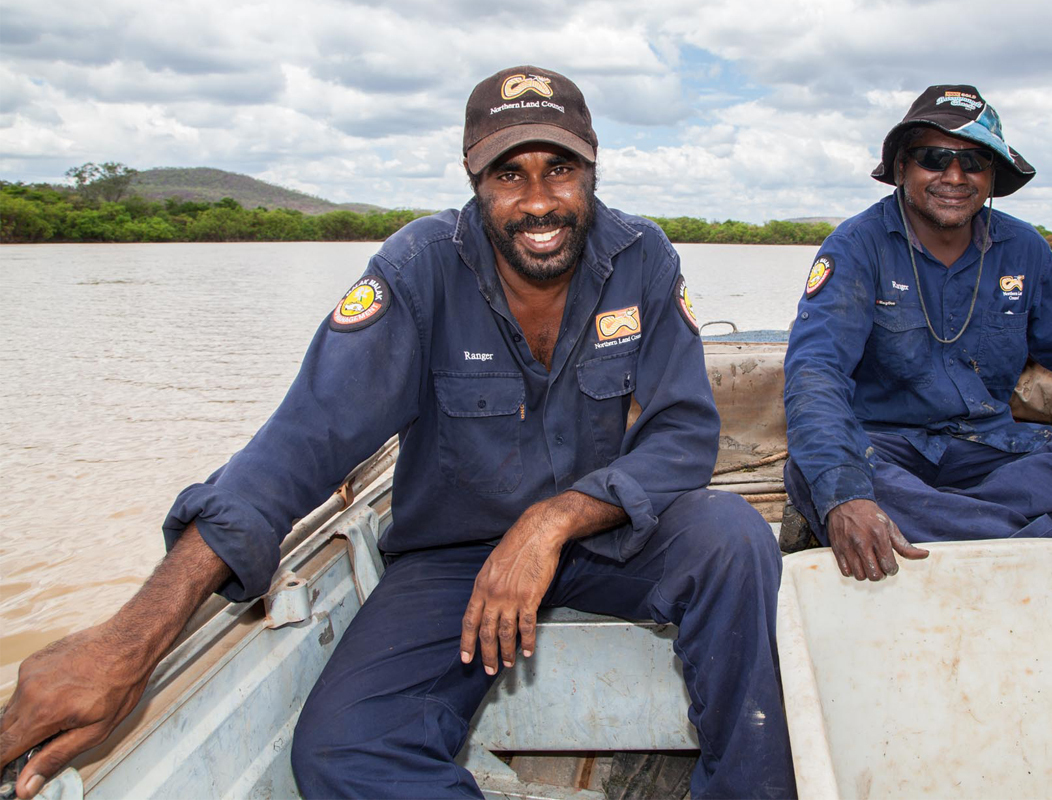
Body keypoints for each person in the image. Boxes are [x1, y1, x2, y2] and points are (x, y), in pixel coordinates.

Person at [0, 67, 796, 798]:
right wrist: (130, 639)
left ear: (592, 170)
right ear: (473, 180)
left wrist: (552, 520)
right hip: (456, 558)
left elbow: (683, 435)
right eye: (509, 174)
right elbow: (296, 446)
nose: (539, 199)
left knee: (731, 536)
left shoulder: (641, 258)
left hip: (604, 533)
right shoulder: (417, 270)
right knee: (342, 754)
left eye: (561, 169)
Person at [782, 84, 1052, 583]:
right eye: (933, 158)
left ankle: (943, 524)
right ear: (901, 169)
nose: (954, 176)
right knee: (821, 477)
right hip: (885, 446)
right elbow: (815, 372)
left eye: (975, 162)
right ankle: (1014, 546)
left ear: (993, 177)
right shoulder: (856, 246)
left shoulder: (1022, 249)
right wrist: (848, 494)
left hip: (987, 448)